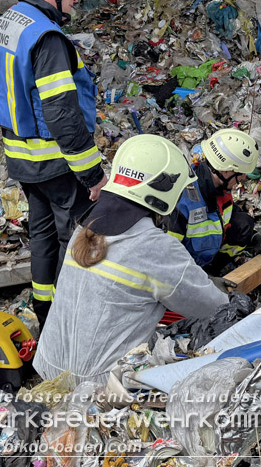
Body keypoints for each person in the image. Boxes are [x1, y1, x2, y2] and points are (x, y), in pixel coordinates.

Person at [0, 0, 107, 327]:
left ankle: (45, 311)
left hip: (22, 160)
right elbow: (62, 115)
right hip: (57, 162)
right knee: (78, 238)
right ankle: (73, 319)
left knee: (43, 238)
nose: (75, 0)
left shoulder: (8, 22)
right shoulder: (47, 38)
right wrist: (93, 174)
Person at [33, 135, 229, 386]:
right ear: (163, 191)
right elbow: (213, 308)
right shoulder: (155, 247)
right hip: (101, 388)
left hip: (50, 367)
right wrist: (221, 293)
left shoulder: (83, 229)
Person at [164, 129, 261, 273]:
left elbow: (232, 216)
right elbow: (166, 256)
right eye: (241, 173)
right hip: (183, 271)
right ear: (225, 171)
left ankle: (214, 269)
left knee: (244, 223)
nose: (244, 178)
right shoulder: (182, 202)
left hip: (206, 263)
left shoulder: (220, 189)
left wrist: (257, 239)